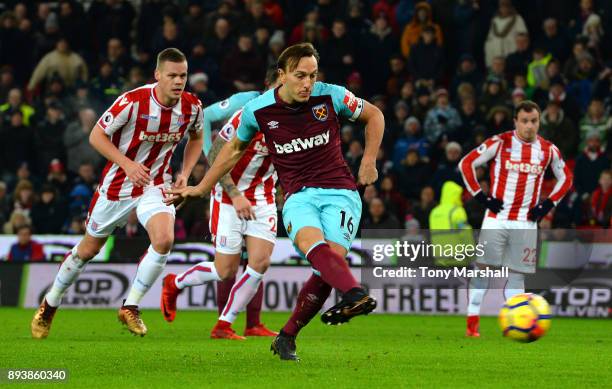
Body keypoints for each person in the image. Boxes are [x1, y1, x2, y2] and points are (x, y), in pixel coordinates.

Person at [166, 43, 384, 361]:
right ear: (281, 75)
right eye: (300, 76)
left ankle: (287, 336)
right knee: (314, 249)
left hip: (341, 191)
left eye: (312, 75)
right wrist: (202, 187)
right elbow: (232, 150)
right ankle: (354, 292)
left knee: (329, 265)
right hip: (297, 196)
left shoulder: (331, 95)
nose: (308, 83)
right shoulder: (257, 109)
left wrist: (369, 160)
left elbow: (374, 115)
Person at [30, 48, 204, 339]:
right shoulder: (133, 101)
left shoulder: (192, 107)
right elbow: (96, 135)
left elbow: (197, 137)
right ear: (157, 75)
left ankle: (130, 306)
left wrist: (185, 172)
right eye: (172, 75)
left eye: (183, 75)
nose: (178, 81)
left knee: (164, 240)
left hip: (156, 184)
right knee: (88, 250)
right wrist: (127, 163)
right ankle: (50, 304)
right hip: (118, 185)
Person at [161, 68, 281, 340]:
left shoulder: (295, 119)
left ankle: (231, 324)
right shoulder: (247, 110)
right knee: (225, 269)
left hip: (263, 197)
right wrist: (231, 190)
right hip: (228, 195)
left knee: (259, 262)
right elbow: (216, 149)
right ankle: (176, 283)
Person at [458, 100, 572, 337]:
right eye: (525, 121)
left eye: (534, 121)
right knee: (482, 271)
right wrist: (482, 198)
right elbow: (466, 163)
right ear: (515, 122)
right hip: (496, 218)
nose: (529, 126)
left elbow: (566, 178)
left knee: (517, 275)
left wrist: (548, 205)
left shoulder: (548, 150)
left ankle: (516, 323)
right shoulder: (501, 142)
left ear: (539, 122)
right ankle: (472, 324)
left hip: (526, 222)